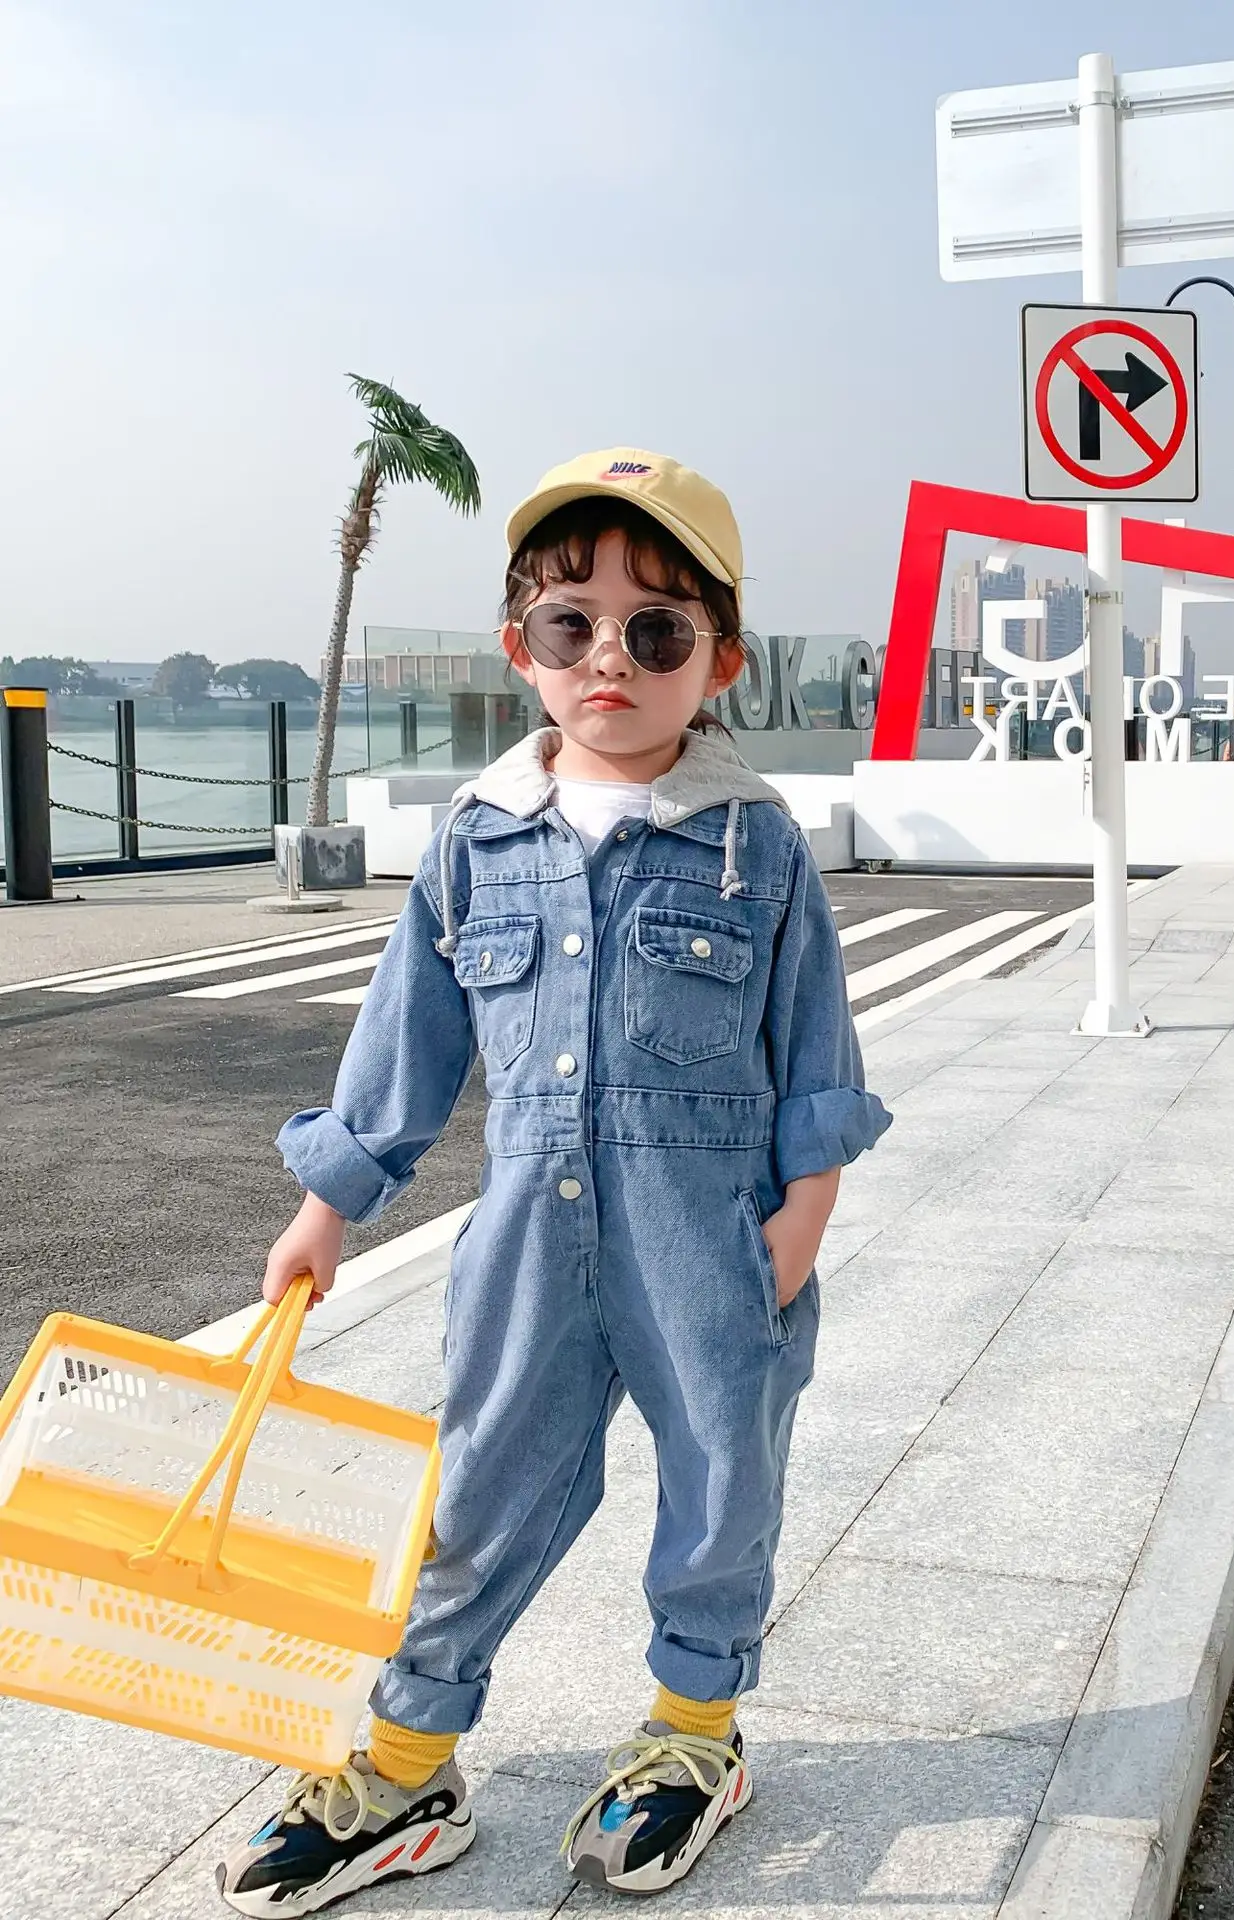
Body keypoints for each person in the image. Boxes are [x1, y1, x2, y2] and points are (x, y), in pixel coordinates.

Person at [217, 449, 891, 1916]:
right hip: (527, 1233)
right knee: (479, 1488)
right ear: (520, 647)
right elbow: (406, 1044)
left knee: (723, 1484)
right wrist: (329, 1202)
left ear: (720, 660)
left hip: (712, 1236)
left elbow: (815, 1045)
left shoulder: (754, 845)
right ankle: (406, 1764)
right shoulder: (475, 842)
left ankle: (693, 1736)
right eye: (572, 623)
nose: (612, 659)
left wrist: (800, 1219)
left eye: (658, 631)